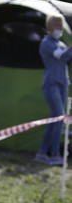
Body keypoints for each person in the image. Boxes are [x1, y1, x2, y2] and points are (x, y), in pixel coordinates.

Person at [36, 14, 72, 166]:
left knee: (54, 120)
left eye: (60, 26)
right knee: (59, 118)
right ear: (50, 27)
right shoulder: (47, 43)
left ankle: (42, 153)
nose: (59, 29)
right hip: (51, 84)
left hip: (64, 83)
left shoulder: (62, 43)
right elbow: (62, 57)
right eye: (57, 26)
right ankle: (55, 154)